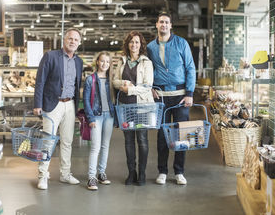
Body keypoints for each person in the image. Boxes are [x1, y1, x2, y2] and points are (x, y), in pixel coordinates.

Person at [147, 13, 196, 185]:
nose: (164, 25)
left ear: (171, 25)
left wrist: (189, 93)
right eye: (161, 22)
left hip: (181, 96)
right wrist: (150, 88)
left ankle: (179, 171)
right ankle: (162, 171)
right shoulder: (150, 47)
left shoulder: (181, 43)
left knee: (181, 135)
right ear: (157, 24)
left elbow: (190, 68)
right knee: (162, 136)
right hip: (161, 98)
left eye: (167, 22)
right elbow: (147, 70)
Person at [33, 28, 83, 190]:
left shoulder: (78, 61)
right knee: (48, 141)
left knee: (67, 141)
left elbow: (77, 85)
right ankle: (43, 176)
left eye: (76, 40)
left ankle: (65, 174)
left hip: (70, 104)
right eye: (70, 38)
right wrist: (37, 104)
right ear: (64, 40)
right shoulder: (50, 56)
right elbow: (40, 81)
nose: (72, 41)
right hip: (52, 104)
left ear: (79, 43)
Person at [113, 31, 154, 186]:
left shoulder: (146, 63)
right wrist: (123, 84)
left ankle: (142, 173)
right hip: (125, 107)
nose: (134, 45)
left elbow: (147, 86)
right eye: (131, 42)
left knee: (142, 140)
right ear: (127, 44)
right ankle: (132, 173)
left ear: (141, 45)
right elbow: (115, 81)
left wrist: (130, 90)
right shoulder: (121, 61)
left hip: (141, 106)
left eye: (137, 42)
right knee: (128, 141)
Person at [83, 51, 115, 191]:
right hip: (96, 116)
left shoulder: (111, 80)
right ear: (97, 62)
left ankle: (101, 173)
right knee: (95, 147)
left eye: (107, 62)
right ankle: (91, 177)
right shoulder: (90, 79)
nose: (105, 64)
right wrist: (90, 118)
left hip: (109, 116)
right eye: (102, 61)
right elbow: (85, 101)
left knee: (105, 146)